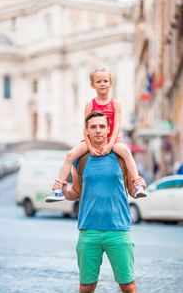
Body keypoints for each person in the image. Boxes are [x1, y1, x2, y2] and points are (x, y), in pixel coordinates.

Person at [52, 111, 146, 293]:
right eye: (93, 127)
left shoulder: (120, 156)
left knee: (128, 286)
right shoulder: (81, 159)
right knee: (86, 287)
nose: (98, 130)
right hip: (88, 231)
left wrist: (140, 185)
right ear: (86, 131)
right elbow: (76, 193)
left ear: (109, 129)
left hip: (118, 230)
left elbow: (133, 192)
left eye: (102, 126)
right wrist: (64, 191)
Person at [46, 67, 146, 202]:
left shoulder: (116, 103)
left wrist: (110, 145)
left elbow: (116, 126)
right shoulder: (89, 105)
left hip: (112, 139)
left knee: (126, 152)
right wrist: (91, 147)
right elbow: (85, 128)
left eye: (105, 81)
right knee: (70, 155)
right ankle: (58, 190)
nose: (102, 84)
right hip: (92, 140)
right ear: (92, 85)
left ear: (111, 83)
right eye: (98, 81)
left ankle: (138, 185)